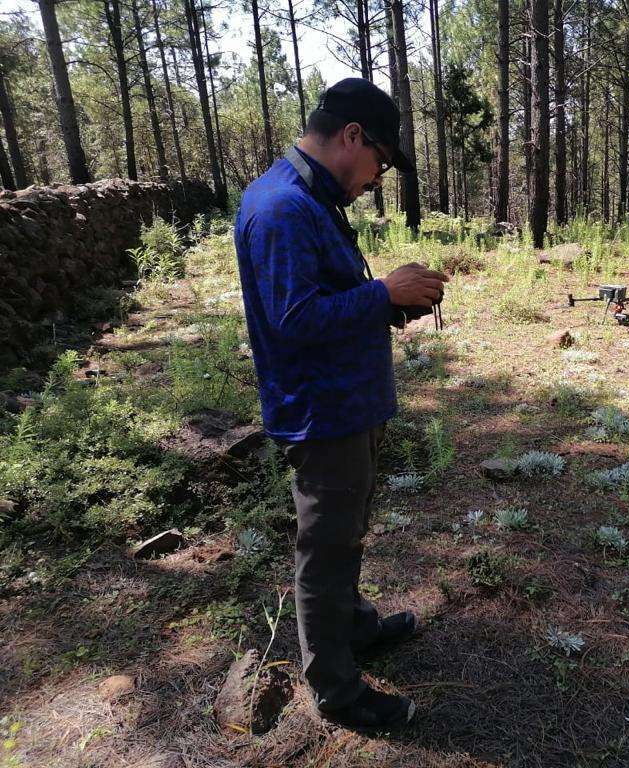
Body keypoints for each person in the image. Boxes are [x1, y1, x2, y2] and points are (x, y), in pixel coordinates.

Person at [234, 78, 448, 731]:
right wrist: (383, 291)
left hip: (347, 407)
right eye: (380, 161)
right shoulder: (281, 208)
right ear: (352, 137)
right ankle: (336, 689)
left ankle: (354, 628)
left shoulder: (312, 201)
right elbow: (293, 320)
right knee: (325, 550)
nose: (378, 176)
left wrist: (387, 307)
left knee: (345, 534)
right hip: (322, 417)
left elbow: (325, 302)